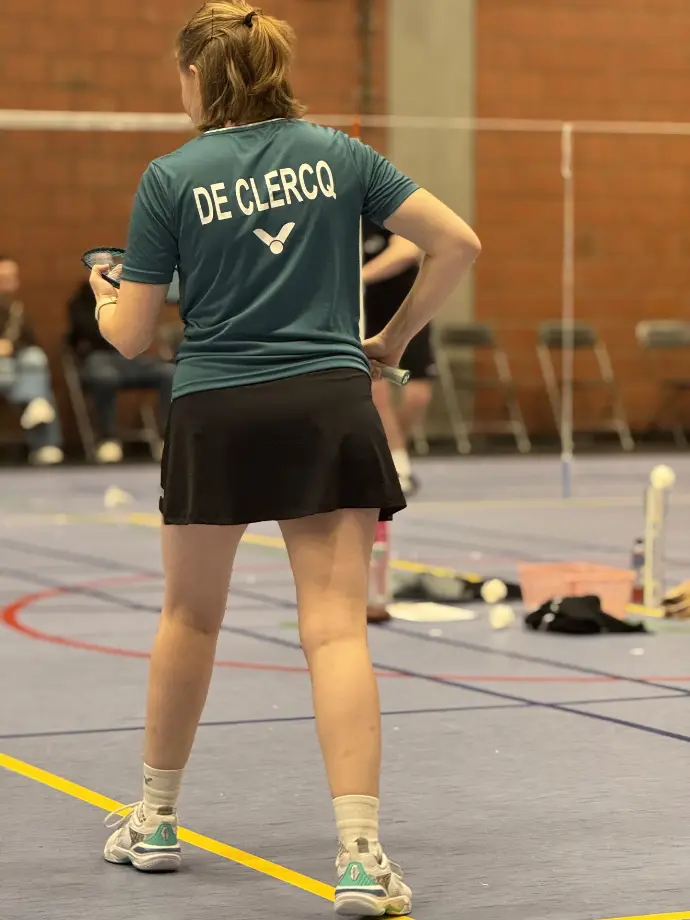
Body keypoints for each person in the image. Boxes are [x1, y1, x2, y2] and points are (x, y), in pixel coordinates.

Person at [91, 3, 480, 915]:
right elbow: (457, 242)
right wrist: (390, 339)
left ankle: (154, 821)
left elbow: (135, 336)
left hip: (215, 409)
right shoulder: (341, 155)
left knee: (189, 618)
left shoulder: (171, 177)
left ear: (199, 77)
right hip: (326, 405)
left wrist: (104, 295)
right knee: (336, 630)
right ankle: (359, 857)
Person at [362, 218, 436, 496]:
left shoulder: (387, 212)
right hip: (368, 317)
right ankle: (398, 466)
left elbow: (405, 251)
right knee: (377, 393)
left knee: (417, 396)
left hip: (408, 314)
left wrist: (360, 277)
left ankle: (389, 451)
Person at [66, 280, 175, 463]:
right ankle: (108, 439)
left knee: (169, 373)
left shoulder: (130, 295)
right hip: (99, 355)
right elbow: (94, 332)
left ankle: (168, 438)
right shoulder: (81, 300)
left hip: (130, 356)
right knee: (104, 377)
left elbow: (140, 330)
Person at [0, 255, 63, 465]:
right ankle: (45, 440)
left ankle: (36, 404)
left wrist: (11, 347)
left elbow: (31, 342)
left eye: (12, 277)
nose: (9, 282)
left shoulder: (17, 309)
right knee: (37, 386)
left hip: (15, 366)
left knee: (35, 358)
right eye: (3, 277)